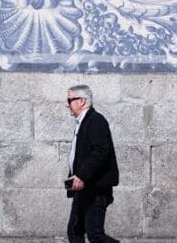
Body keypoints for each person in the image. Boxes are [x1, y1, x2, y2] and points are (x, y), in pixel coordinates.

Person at [65, 85, 120, 243]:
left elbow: (101, 151)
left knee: (95, 234)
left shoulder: (96, 121)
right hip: (83, 187)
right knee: (75, 231)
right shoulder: (83, 122)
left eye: (69, 100)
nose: (67, 104)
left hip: (95, 189)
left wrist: (81, 175)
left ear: (82, 101)